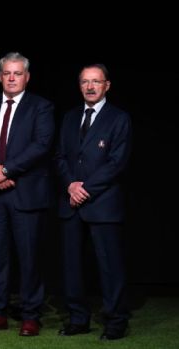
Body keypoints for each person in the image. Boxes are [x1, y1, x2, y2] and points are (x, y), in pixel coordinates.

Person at [0, 52, 54, 336]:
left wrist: (6, 171)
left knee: (29, 258)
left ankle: (31, 314)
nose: (12, 78)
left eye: (18, 73)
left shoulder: (41, 107)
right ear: (0, 77)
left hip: (25, 194)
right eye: (7, 73)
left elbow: (41, 145)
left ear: (27, 77)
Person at [56, 64, 131, 340]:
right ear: (79, 85)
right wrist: (70, 185)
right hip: (71, 203)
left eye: (96, 82)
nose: (90, 87)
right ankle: (78, 319)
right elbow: (60, 157)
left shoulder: (119, 118)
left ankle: (115, 322)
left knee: (109, 267)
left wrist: (85, 188)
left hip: (103, 203)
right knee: (72, 266)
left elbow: (116, 163)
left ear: (106, 85)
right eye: (85, 82)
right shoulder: (69, 117)